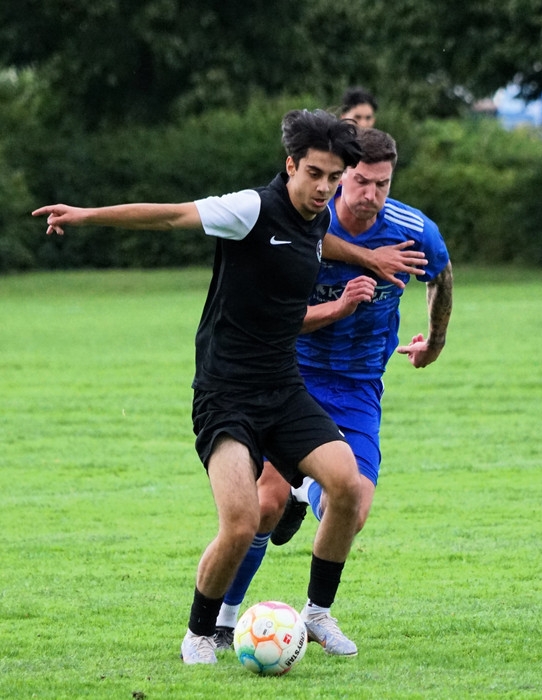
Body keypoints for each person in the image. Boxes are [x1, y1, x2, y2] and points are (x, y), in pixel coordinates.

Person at [33, 109, 376, 665]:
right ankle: (198, 633)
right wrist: (86, 214)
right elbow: (170, 217)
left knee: (348, 485)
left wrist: (366, 259)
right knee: (241, 523)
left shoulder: (316, 220)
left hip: (282, 388)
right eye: (314, 173)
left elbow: (319, 248)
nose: (324, 188)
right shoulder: (250, 209)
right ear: (290, 165)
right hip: (225, 394)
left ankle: (317, 613)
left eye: (334, 178)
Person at [212, 126, 452, 649]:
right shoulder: (302, 226)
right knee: (265, 504)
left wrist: (434, 341)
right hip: (292, 376)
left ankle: (317, 612)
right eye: (361, 182)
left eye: (382, 184)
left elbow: (441, 273)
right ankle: (225, 622)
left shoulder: (412, 229)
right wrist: (341, 304)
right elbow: (272, 317)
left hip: (360, 385)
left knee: (354, 507)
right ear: (342, 177)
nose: (370, 194)